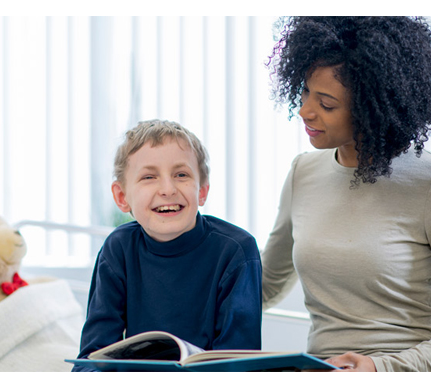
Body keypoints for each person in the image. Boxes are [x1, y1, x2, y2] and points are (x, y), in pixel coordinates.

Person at [261, 17, 431, 372]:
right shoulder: (303, 172)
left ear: (373, 109)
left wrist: (379, 367)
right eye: (305, 91)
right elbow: (263, 284)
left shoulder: (425, 184)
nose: (305, 111)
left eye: (326, 104)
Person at [72, 120, 262, 372]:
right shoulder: (118, 249)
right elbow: (91, 358)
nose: (167, 189)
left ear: (202, 191)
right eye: (149, 177)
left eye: (181, 175)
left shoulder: (236, 251)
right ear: (122, 197)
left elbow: (240, 362)